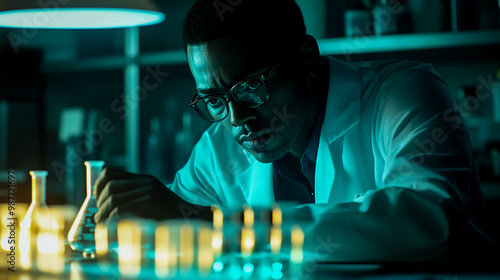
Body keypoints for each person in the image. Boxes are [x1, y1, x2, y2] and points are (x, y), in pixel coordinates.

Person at [94, 0, 497, 261]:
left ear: (305, 57)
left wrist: (216, 224)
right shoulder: (219, 148)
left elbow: (430, 221)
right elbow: (173, 237)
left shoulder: (405, 94)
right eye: (214, 99)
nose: (237, 118)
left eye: (251, 86)